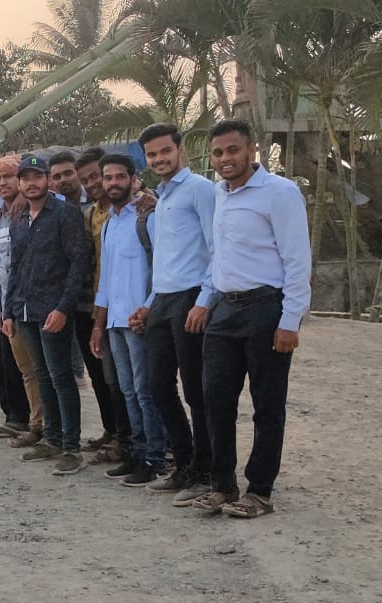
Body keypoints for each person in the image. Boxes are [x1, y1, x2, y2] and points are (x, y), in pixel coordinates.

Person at [189, 119, 311, 518]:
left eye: (233, 150)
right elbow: (219, 257)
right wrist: (207, 300)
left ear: (251, 150)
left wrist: (290, 320)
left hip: (265, 309)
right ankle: (222, 485)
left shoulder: (280, 193)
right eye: (218, 152)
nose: (225, 158)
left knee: (267, 404)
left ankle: (259, 491)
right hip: (224, 309)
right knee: (215, 400)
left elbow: (297, 260)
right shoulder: (219, 194)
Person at [128, 122, 219, 499]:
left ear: (180, 149)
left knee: (196, 389)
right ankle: (184, 463)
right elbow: (165, 260)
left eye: (165, 151)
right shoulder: (161, 198)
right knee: (157, 385)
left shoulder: (200, 189)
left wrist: (204, 300)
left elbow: (217, 248)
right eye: (152, 155)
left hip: (191, 297)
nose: (159, 159)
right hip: (164, 300)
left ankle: (207, 471)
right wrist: (150, 305)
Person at [5, 154, 92, 475]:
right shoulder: (19, 218)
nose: (31, 183)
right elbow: (15, 266)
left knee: (61, 377)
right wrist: (9, 309)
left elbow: (77, 264)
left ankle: (71, 447)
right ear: (20, 183)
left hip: (53, 310)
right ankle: (52, 438)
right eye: (25, 178)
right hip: (25, 310)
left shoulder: (65, 215)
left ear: (47, 179)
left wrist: (63, 308)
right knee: (42, 375)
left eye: (37, 177)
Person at [92, 154, 167, 486]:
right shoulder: (109, 223)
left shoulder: (148, 217)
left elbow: (161, 269)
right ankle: (136, 453)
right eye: (108, 178)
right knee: (127, 390)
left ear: (133, 179)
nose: (113, 183)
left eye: (119, 177)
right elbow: (105, 280)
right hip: (114, 323)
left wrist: (148, 308)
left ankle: (155, 457)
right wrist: (98, 325)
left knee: (144, 391)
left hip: (140, 320)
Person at [67, 148, 124, 461]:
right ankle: (112, 430)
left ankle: (134, 441)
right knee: (100, 375)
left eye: (96, 176)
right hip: (92, 304)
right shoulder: (90, 214)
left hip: (122, 305)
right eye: (86, 179)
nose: (92, 183)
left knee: (122, 378)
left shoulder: (135, 208)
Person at [0, 155, 39, 445]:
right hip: (10, 307)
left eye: (8, 176)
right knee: (24, 370)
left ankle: (51, 430)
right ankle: (30, 423)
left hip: (36, 305)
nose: (3, 183)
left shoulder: (35, 211)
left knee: (44, 370)